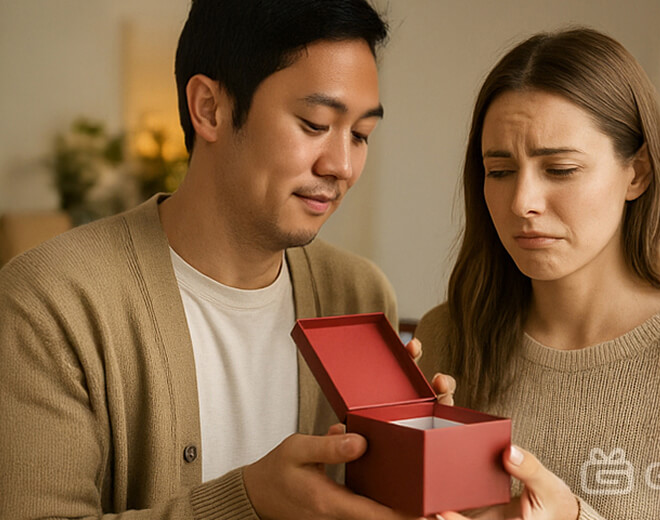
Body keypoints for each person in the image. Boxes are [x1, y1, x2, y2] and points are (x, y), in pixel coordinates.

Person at [0, 1, 442, 518]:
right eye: (315, 123)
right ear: (209, 108)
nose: (341, 165)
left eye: (361, 134)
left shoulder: (359, 294)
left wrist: (423, 456)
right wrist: (250, 502)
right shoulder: (50, 300)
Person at [415, 28, 660, 519]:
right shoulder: (446, 338)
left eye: (561, 169)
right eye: (499, 172)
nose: (523, 203)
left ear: (638, 173)